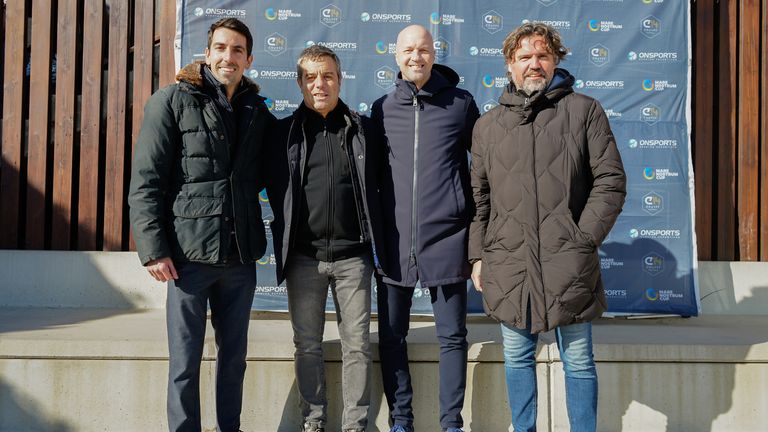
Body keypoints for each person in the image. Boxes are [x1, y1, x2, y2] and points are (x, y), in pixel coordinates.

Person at [469, 22, 627, 432]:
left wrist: (582, 239)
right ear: (509, 65)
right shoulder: (486, 127)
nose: (533, 64)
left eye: (542, 55)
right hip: (509, 265)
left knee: (577, 361)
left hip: (568, 263)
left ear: (555, 60)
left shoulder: (584, 111)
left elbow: (610, 182)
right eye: (524, 57)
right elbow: (479, 200)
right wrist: (478, 255)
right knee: (517, 359)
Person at [128, 18, 274, 432]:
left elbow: (265, 175)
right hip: (187, 257)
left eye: (238, 50)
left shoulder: (255, 111)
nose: (229, 57)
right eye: (222, 48)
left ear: (249, 59)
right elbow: (146, 181)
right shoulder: (172, 100)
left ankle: (231, 427)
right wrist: (153, 248)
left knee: (233, 359)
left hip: (239, 257)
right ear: (207, 53)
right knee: (185, 360)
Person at [265, 45, 385, 432]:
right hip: (303, 257)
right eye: (311, 77)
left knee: (357, 347)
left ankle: (355, 425)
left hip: (354, 258)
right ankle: (313, 421)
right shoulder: (282, 133)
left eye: (328, 75)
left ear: (340, 79)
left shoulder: (363, 129)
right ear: (300, 83)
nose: (320, 84)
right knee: (308, 346)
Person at [370, 24, 479, 432]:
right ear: (395, 56)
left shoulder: (461, 104)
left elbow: (480, 172)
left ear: (435, 53)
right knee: (392, 338)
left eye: (424, 49)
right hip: (395, 242)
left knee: (452, 336)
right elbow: (374, 176)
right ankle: (402, 421)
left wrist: (475, 232)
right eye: (408, 50)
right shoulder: (382, 109)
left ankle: (452, 423)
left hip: (448, 237)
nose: (416, 57)